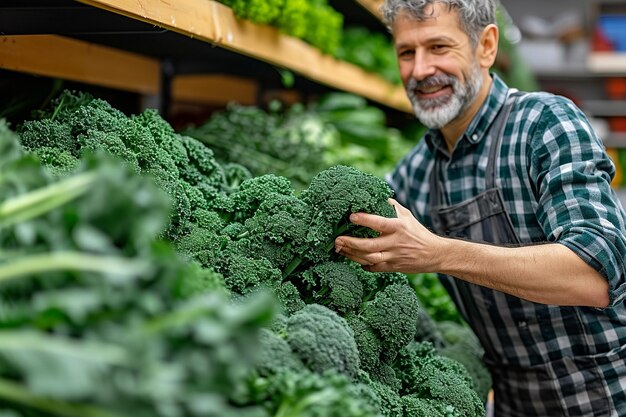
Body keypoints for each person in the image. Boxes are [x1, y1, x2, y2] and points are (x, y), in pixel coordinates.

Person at [334, 0, 626, 416]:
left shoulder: (546, 123)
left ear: (486, 47)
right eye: (406, 52)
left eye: (438, 47)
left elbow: (597, 272)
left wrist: (438, 252)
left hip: (608, 398)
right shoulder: (414, 174)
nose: (419, 71)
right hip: (512, 404)